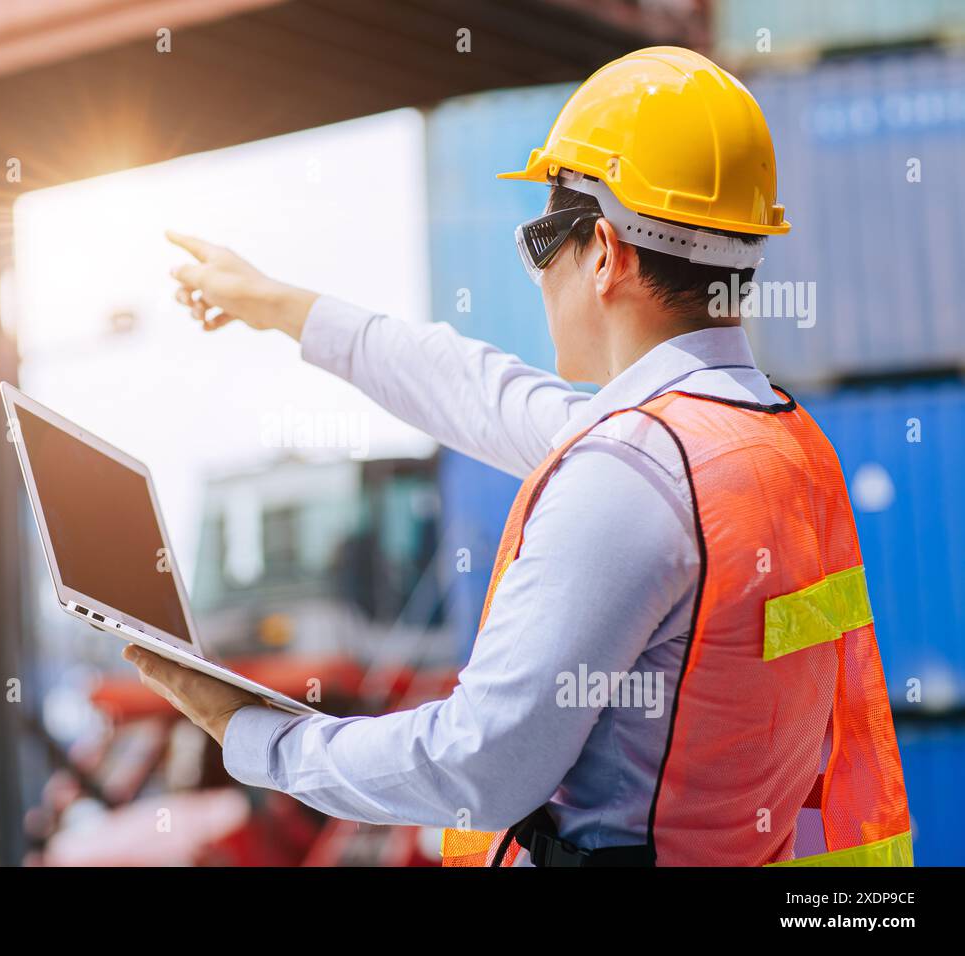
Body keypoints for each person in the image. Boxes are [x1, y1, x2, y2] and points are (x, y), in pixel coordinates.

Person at [126, 46, 912, 866]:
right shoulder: (773, 447)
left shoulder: (633, 477)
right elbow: (476, 389)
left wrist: (252, 735)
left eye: (541, 241)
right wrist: (277, 305)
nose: (539, 276)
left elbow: (481, 765)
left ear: (604, 253)